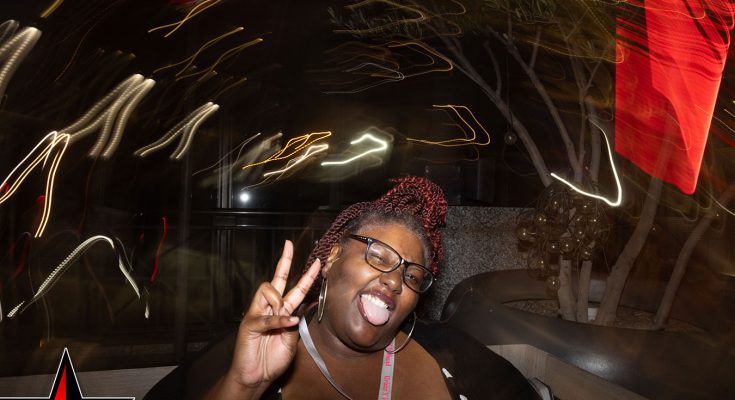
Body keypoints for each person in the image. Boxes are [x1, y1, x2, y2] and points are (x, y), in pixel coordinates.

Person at [144, 176, 539, 399]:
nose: (395, 280)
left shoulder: (450, 351)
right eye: (379, 255)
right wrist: (244, 386)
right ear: (332, 257)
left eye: (412, 276)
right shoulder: (243, 357)